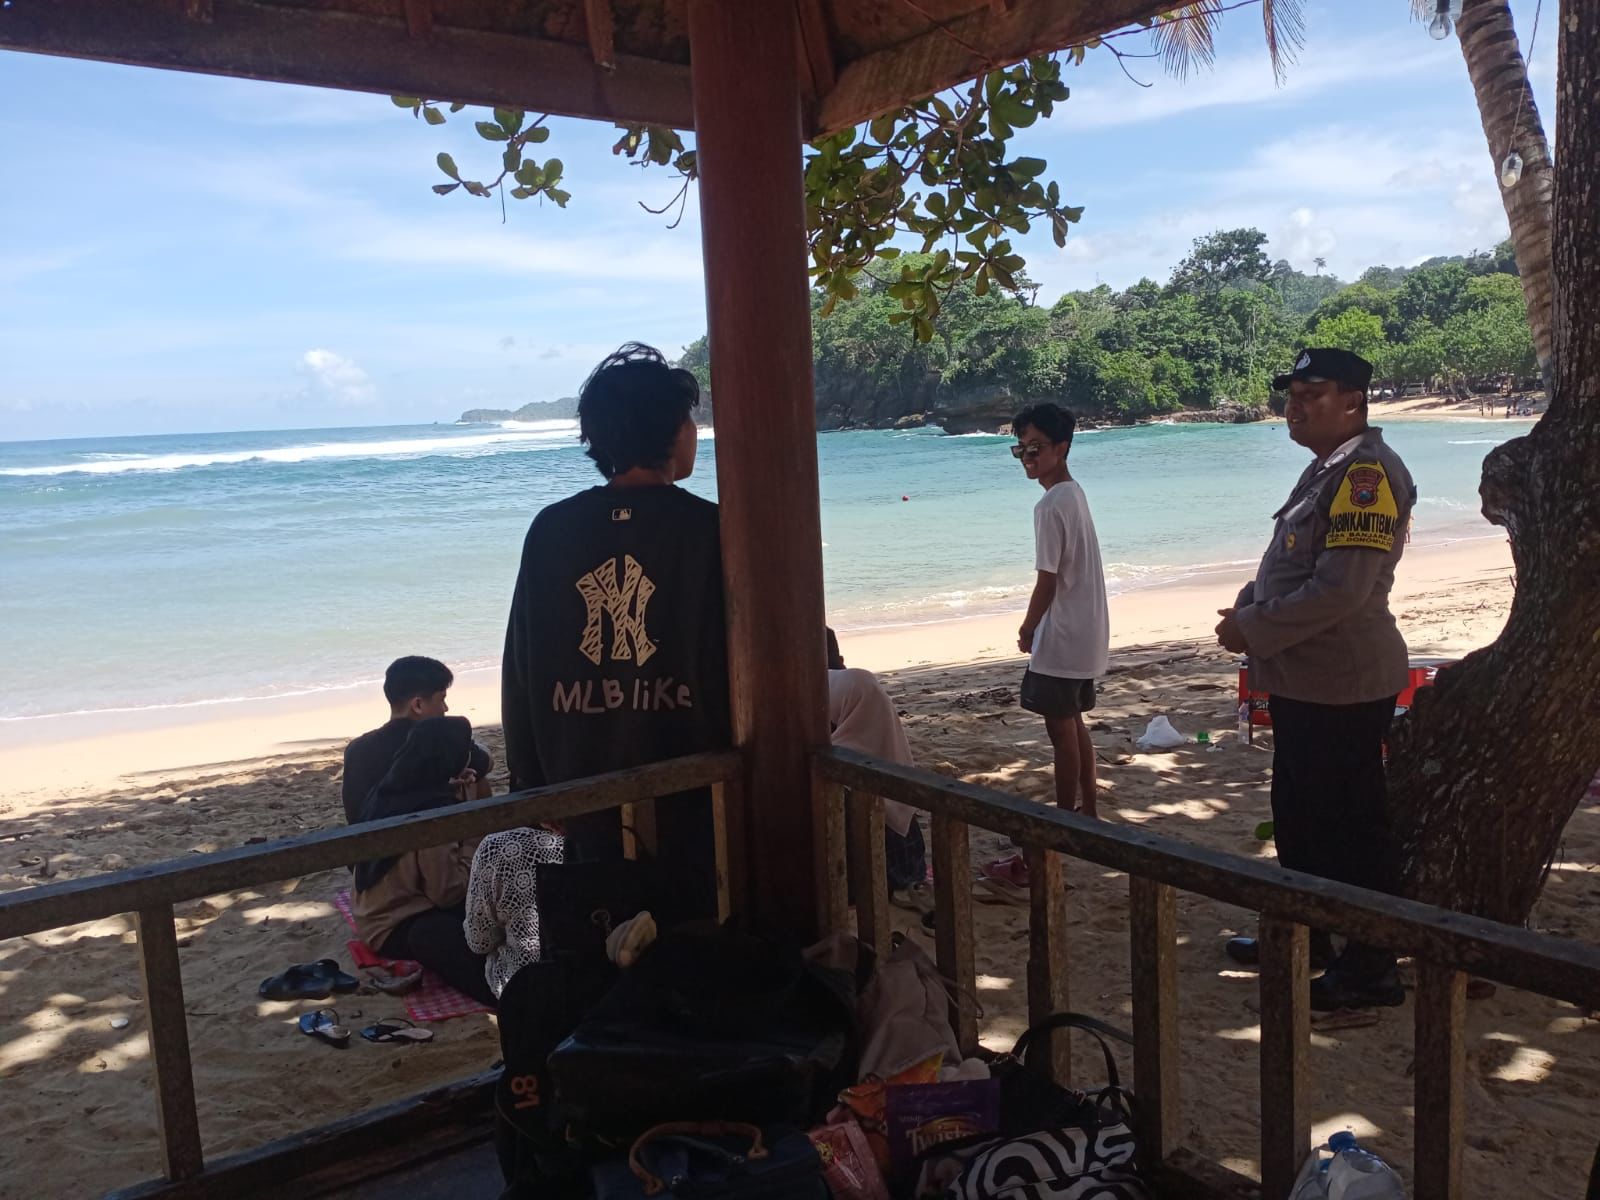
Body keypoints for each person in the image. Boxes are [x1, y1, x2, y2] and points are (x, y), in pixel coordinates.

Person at [1215, 348, 1416, 1011]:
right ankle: (1308, 938)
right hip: (1305, 680)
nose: (1294, 407)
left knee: (1349, 827)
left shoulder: (1366, 474)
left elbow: (1342, 590)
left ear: (1354, 400)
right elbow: (1294, 561)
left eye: (1312, 394)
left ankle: (1370, 967)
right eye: (1291, 395)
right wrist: (1250, 604)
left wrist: (1254, 627)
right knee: (1299, 819)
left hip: (1343, 681)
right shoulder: (1327, 467)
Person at [501, 343, 730, 923]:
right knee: (697, 929)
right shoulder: (711, 529)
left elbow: (521, 664)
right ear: (674, 432)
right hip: (698, 782)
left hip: (582, 781)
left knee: (600, 931)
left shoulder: (551, 530)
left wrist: (530, 781)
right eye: (690, 421)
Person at [979, 403, 1110, 900]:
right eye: (1020, 449)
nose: (1028, 458)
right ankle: (1088, 811)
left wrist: (1028, 626)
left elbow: (1047, 580)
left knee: (1061, 731)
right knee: (1075, 721)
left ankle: (1061, 822)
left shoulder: (1051, 505)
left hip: (1063, 633)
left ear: (1062, 447)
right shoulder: (1074, 494)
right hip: (1087, 629)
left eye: (1035, 448)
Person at [350, 715, 498, 1008]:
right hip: (395, 923)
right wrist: (474, 830)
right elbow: (448, 892)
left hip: (397, 906)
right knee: (444, 934)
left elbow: (486, 763)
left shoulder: (397, 784)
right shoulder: (432, 812)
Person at [342, 655, 490, 824]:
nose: (445, 708)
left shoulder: (356, 749)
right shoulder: (439, 741)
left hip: (370, 835)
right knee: (476, 778)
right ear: (417, 705)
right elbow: (486, 763)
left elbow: (355, 814)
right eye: (442, 699)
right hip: (429, 834)